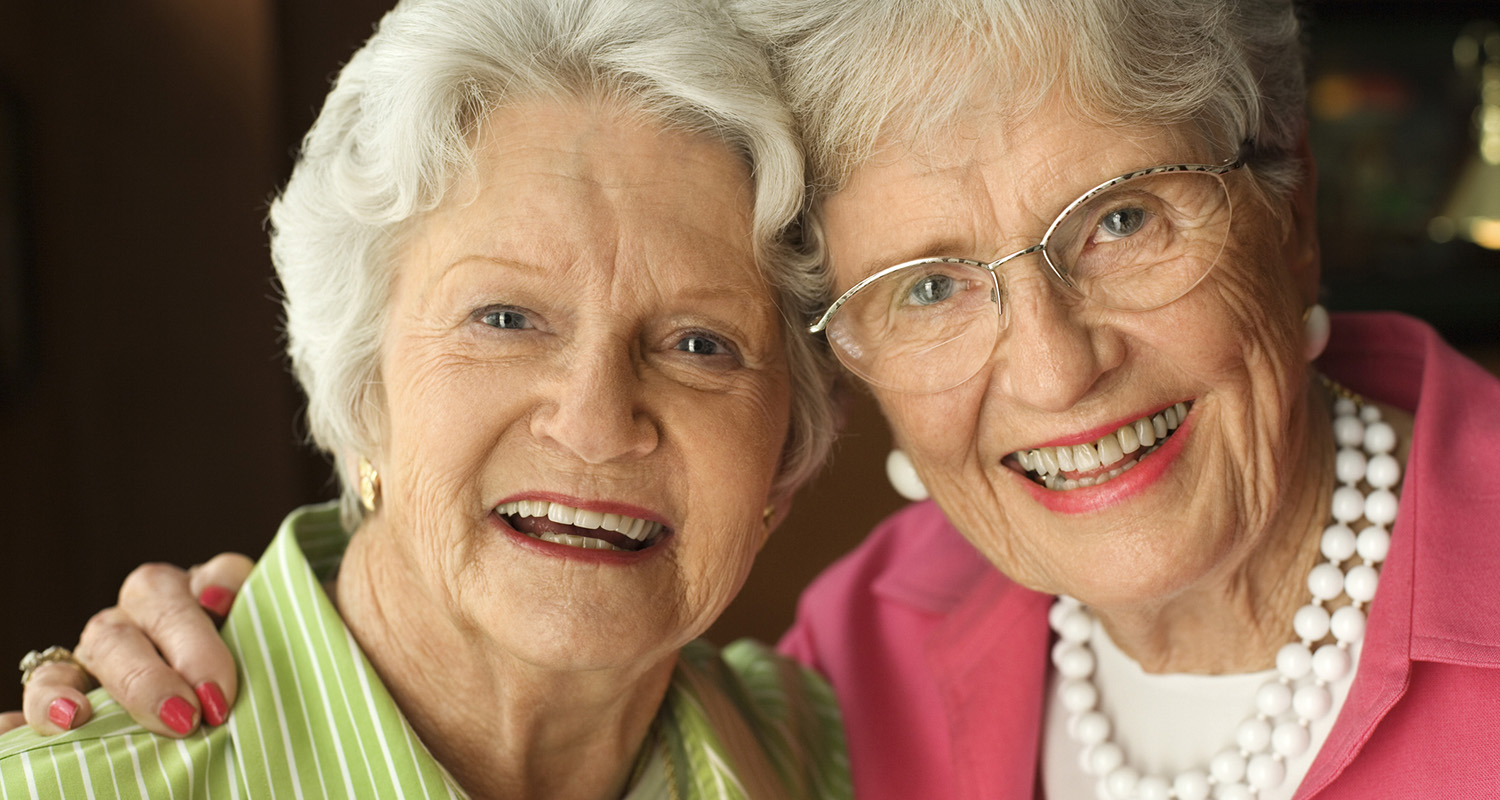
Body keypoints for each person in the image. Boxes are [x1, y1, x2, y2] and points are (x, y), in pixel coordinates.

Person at [16, 0, 1500, 797]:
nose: (1051, 367)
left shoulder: (804, 739)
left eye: (1122, 218)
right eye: (931, 281)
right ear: (359, 390)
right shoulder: (872, 673)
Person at [0, 0, 852, 797]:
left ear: (786, 445)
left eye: (701, 345)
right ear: (361, 380)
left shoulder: (857, 751)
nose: (594, 423)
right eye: (506, 318)